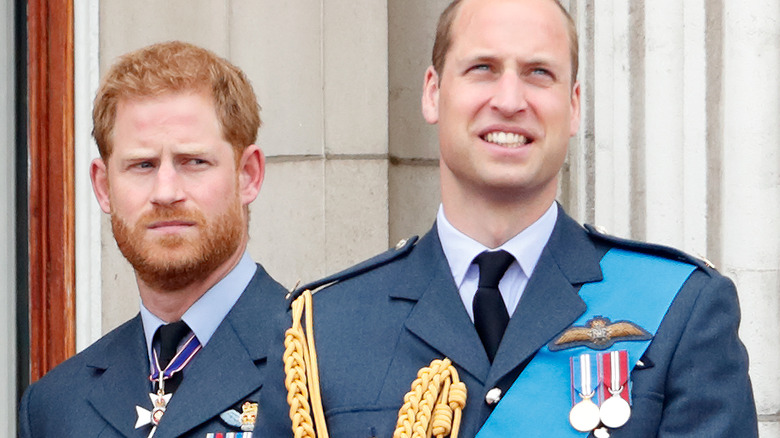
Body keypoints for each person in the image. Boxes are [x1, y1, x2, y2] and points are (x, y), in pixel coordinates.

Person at [272, 0, 758, 437]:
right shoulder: (322, 331)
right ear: (432, 92)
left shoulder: (681, 310)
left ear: (573, 107)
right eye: (482, 68)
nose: (509, 100)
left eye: (538, 73)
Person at [19, 41, 288, 437]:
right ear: (103, 186)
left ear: (248, 174)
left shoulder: (321, 363)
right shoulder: (56, 407)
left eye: (193, 161)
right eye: (142, 165)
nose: (166, 192)